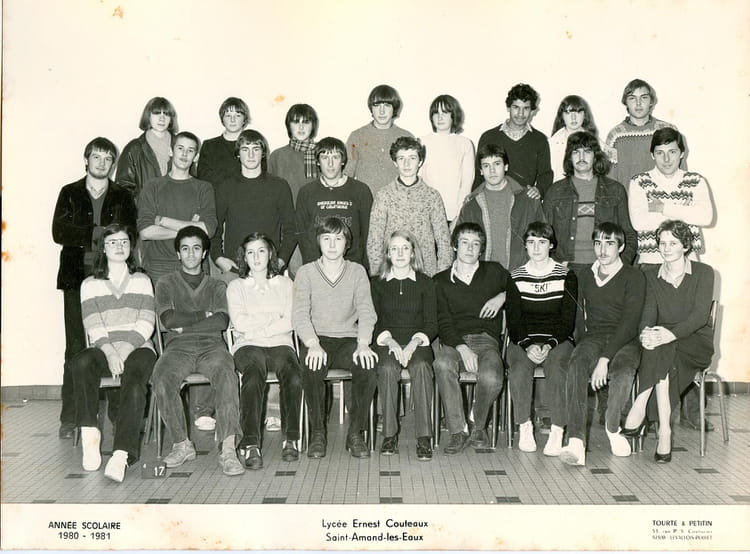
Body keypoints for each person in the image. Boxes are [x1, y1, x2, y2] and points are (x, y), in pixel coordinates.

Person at [52, 137, 137, 439]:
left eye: (107, 158)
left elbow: (129, 233)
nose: (102, 163)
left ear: (113, 163)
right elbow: (59, 232)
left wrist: (93, 235)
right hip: (76, 279)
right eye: (96, 157)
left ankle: (116, 412)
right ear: (86, 159)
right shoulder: (70, 192)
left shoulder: (122, 195)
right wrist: (101, 233)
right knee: (76, 346)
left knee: (113, 340)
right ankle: (71, 417)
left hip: (112, 277)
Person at [151, 226, 244, 476]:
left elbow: (221, 321)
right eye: (185, 249)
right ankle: (182, 444)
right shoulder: (165, 283)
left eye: (196, 248)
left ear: (204, 253)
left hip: (212, 345)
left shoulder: (216, 285)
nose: (190, 254)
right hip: (177, 347)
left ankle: (228, 449)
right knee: (161, 376)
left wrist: (185, 323)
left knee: (226, 375)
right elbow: (168, 320)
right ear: (178, 254)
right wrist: (204, 314)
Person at [622, 220, 715, 462]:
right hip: (665, 344)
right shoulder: (651, 276)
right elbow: (648, 314)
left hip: (695, 341)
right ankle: (665, 432)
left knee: (662, 345)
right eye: (662, 243)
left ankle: (640, 402)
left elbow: (699, 317)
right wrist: (645, 333)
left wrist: (668, 334)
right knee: (659, 350)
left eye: (672, 243)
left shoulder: (704, 273)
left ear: (685, 246)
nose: (666, 248)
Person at [70, 224, 156, 482]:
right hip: (104, 348)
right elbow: (92, 323)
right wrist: (109, 351)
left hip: (138, 347)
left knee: (135, 378)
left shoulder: (142, 281)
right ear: (103, 249)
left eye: (124, 242)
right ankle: (90, 434)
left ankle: (121, 454)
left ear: (131, 247)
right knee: (81, 363)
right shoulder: (89, 284)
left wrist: (125, 348)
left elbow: (146, 322)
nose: (119, 246)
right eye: (113, 242)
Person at [556, 222, 645, 466]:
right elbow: (578, 316)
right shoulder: (585, 275)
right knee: (576, 363)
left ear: (621, 247)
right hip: (594, 338)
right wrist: (584, 348)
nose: (602, 250)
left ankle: (613, 427)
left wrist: (604, 359)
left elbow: (630, 323)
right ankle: (576, 441)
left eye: (609, 243)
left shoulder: (634, 276)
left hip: (625, 339)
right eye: (598, 243)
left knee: (623, 370)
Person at [293, 217, 378, 459]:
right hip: (317, 339)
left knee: (367, 365)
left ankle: (355, 433)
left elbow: (366, 311)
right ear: (318, 241)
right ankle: (318, 433)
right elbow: (299, 314)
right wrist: (312, 344)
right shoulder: (306, 272)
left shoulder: (357, 271)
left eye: (338, 238)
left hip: (348, 339)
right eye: (326, 238)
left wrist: (363, 344)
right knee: (311, 367)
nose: (332, 244)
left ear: (346, 243)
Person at [227, 233, 303, 469]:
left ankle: (291, 439)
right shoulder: (236, 286)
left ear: (270, 254)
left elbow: (290, 321)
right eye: (250, 252)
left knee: (293, 374)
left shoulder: (286, 284)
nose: (256, 257)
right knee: (253, 374)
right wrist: (273, 317)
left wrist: (259, 326)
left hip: (280, 343)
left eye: (261, 251)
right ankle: (251, 444)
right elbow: (239, 323)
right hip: (247, 345)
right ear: (244, 257)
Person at [433, 222, 510, 454]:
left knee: (492, 377)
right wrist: (462, 347)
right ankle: (459, 430)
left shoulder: (494, 271)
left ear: (481, 249)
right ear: (454, 246)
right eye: (464, 242)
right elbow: (442, 321)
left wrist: (503, 296)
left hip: (487, 340)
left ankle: (478, 421)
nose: (469, 248)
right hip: (455, 341)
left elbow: (519, 288)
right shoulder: (440, 280)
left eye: (475, 244)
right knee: (442, 363)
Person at [506, 222, 577, 454]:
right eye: (531, 242)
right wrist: (527, 345)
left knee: (557, 366)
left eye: (542, 242)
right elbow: (514, 321)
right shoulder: (515, 277)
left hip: (558, 340)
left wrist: (549, 345)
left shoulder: (566, 276)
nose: (536, 248)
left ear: (551, 245)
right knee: (519, 369)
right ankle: (525, 426)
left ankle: (557, 430)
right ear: (525, 246)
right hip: (523, 340)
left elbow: (567, 321)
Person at [371, 230, 437, 460]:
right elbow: (372, 322)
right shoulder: (377, 284)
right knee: (388, 368)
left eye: (405, 248)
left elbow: (432, 323)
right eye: (394, 249)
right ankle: (389, 435)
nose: (400, 253)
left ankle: (424, 436)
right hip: (386, 341)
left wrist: (412, 344)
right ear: (387, 254)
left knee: (421, 367)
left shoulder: (426, 283)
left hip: (417, 341)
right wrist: (390, 342)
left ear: (413, 253)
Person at [543, 131, 637, 272]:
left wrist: (619, 266)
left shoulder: (615, 190)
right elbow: (543, 235)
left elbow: (629, 235)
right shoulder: (555, 191)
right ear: (569, 157)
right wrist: (554, 266)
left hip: (605, 266)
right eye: (576, 152)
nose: (581, 157)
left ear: (595, 156)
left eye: (587, 152)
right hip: (566, 268)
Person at [210, 129, 296, 281]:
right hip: (234, 271)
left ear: (263, 153)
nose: (250, 155)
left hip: (269, 272)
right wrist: (218, 258)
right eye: (245, 149)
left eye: (255, 149)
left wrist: (280, 261)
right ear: (238, 154)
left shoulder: (279, 186)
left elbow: (291, 229)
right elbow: (214, 228)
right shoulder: (226, 187)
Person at [137, 131, 218, 283]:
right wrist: (192, 229)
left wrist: (163, 221)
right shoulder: (152, 186)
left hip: (195, 264)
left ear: (196, 157)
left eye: (190, 150)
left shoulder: (204, 188)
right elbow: (146, 232)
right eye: (180, 148)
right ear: (170, 151)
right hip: (158, 265)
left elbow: (209, 230)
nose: (184, 154)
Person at [366, 136, 452, 277]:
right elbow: (374, 240)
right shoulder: (384, 195)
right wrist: (378, 275)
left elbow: (443, 240)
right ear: (395, 162)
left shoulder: (432, 196)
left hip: (425, 272)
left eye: (412, 158)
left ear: (420, 161)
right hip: (391, 272)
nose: (407, 164)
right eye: (401, 158)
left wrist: (440, 276)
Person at [628, 128, 713, 265]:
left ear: (682, 153)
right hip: (651, 263)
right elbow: (639, 222)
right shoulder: (639, 182)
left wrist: (664, 208)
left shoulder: (696, 181)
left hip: (688, 260)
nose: (666, 159)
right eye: (660, 153)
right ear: (652, 155)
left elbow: (706, 217)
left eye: (672, 152)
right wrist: (683, 211)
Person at [454, 144, 545, 271]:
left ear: (506, 166)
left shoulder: (528, 199)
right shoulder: (471, 205)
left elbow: (543, 238)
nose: (492, 170)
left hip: (521, 272)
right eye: (486, 166)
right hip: (484, 275)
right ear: (481, 171)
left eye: (497, 164)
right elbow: (459, 245)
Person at [295, 137, 373, 267]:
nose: (330, 164)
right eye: (325, 157)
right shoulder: (306, 192)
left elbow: (367, 234)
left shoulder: (361, 190)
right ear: (317, 161)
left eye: (335, 157)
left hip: (352, 266)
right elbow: (302, 235)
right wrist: (313, 266)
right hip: (317, 266)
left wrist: (362, 267)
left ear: (343, 161)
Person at [475, 83, 552, 198]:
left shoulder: (539, 140)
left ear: (532, 111)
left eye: (526, 108)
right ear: (508, 107)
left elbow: (545, 175)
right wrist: (474, 198)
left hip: (524, 202)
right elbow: (479, 175)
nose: (520, 113)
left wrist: (539, 190)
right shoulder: (488, 137)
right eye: (516, 107)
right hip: (493, 200)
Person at [605, 79, 683, 190]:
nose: (638, 103)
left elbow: (681, 171)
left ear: (651, 101)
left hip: (665, 197)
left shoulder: (667, 130)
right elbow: (609, 179)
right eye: (632, 98)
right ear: (625, 102)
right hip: (629, 199)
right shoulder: (615, 136)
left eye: (644, 97)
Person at [344, 84, 414, 196]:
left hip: (398, 201)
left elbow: (412, 177)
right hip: (365, 201)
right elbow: (346, 174)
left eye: (387, 105)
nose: (382, 111)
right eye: (377, 105)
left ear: (394, 108)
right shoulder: (357, 136)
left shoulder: (406, 137)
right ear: (371, 108)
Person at [419, 94, 475, 222]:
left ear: (453, 115)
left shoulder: (465, 144)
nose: (440, 117)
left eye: (445, 112)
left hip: (454, 214)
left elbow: (466, 184)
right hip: (427, 215)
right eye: (436, 113)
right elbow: (418, 180)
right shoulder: (422, 142)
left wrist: (458, 217)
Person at [117, 97, 178, 200]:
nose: (162, 118)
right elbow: (123, 189)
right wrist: (144, 206)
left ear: (171, 119)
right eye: (157, 113)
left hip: (178, 209)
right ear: (148, 116)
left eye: (166, 114)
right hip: (145, 209)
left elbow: (193, 183)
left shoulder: (182, 146)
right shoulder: (133, 148)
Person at [548, 95, 609, 182]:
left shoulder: (596, 142)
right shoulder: (552, 143)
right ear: (562, 116)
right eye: (568, 112)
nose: (573, 117)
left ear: (584, 115)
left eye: (578, 112)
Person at [268, 103, 320, 204]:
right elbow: (270, 192)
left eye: (306, 122)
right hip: (286, 211)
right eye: (296, 122)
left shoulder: (322, 153)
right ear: (289, 125)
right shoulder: (277, 156)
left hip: (315, 210)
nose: (301, 127)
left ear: (313, 125)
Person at [197, 96, 250, 186]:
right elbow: (203, 178)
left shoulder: (253, 144)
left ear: (244, 119)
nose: (232, 120)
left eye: (237, 115)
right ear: (222, 118)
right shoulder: (209, 145)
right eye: (228, 115)